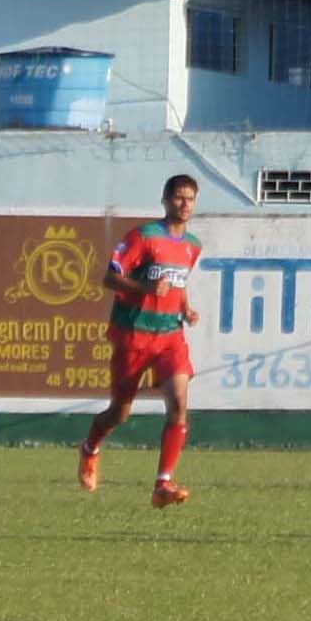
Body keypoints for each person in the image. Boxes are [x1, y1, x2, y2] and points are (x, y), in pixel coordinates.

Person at [80, 174, 204, 508]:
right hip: (135, 334)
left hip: (170, 336)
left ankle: (164, 483)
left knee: (179, 403)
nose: (184, 204)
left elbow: (178, 283)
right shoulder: (143, 237)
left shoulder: (193, 245)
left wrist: (186, 308)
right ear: (165, 200)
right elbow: (110, 278)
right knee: (120, 413)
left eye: (190, 198)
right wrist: (145, 290)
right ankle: (91, 446)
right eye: (178, 197)